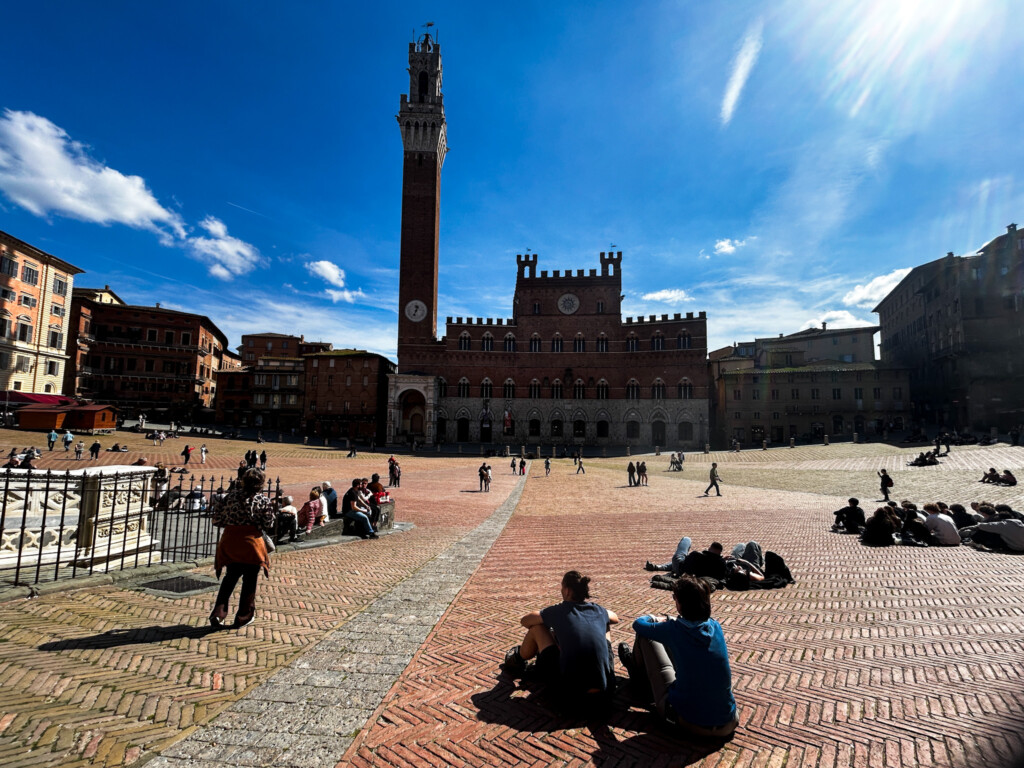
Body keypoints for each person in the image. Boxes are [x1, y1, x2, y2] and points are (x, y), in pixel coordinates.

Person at [618, 575, 738, 740]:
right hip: (728, 722)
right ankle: (639, 675)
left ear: (681, 604)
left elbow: (638, 624)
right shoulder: (715, 626)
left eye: (675, 598)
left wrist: (654, 619)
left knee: (646, 636)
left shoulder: (674, 630)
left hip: (689, 722)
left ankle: (638, 678)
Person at [501, 571, 618, 711]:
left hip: (569, 697)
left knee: (537, 628)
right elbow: (615, 618)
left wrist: (552, 628)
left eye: (562, 587)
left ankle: (517, 658)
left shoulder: (559, 611)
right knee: (604, 625)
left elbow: (525, 621)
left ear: (567, 591)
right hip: (605, 696)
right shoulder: (598, 610)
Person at [209, 468, 274, 629]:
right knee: (250, 580)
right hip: (251, 543)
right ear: (260, 483)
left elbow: (216, 520)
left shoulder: (229, 498)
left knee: (230, 577)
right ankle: (243, 616)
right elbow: (269, 524)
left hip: (231, 541)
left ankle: (218, 613)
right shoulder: (263, 500)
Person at [645, 538, 726, 580]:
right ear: (719, 553)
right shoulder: (721, 563)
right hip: (690, 574)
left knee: (686, 541)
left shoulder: (696, 555)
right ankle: (658, 567)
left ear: (709, 548)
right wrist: (722, 560)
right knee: (682, 561)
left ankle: (659, 567)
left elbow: (686, 563)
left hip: (681, 570)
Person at [960, 518, 1024, 551]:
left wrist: (963, 529)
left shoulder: (1003, 525)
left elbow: (981, 526)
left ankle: (975, 542)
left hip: (1012, 547)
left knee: (984, 531)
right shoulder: (1022, 525)